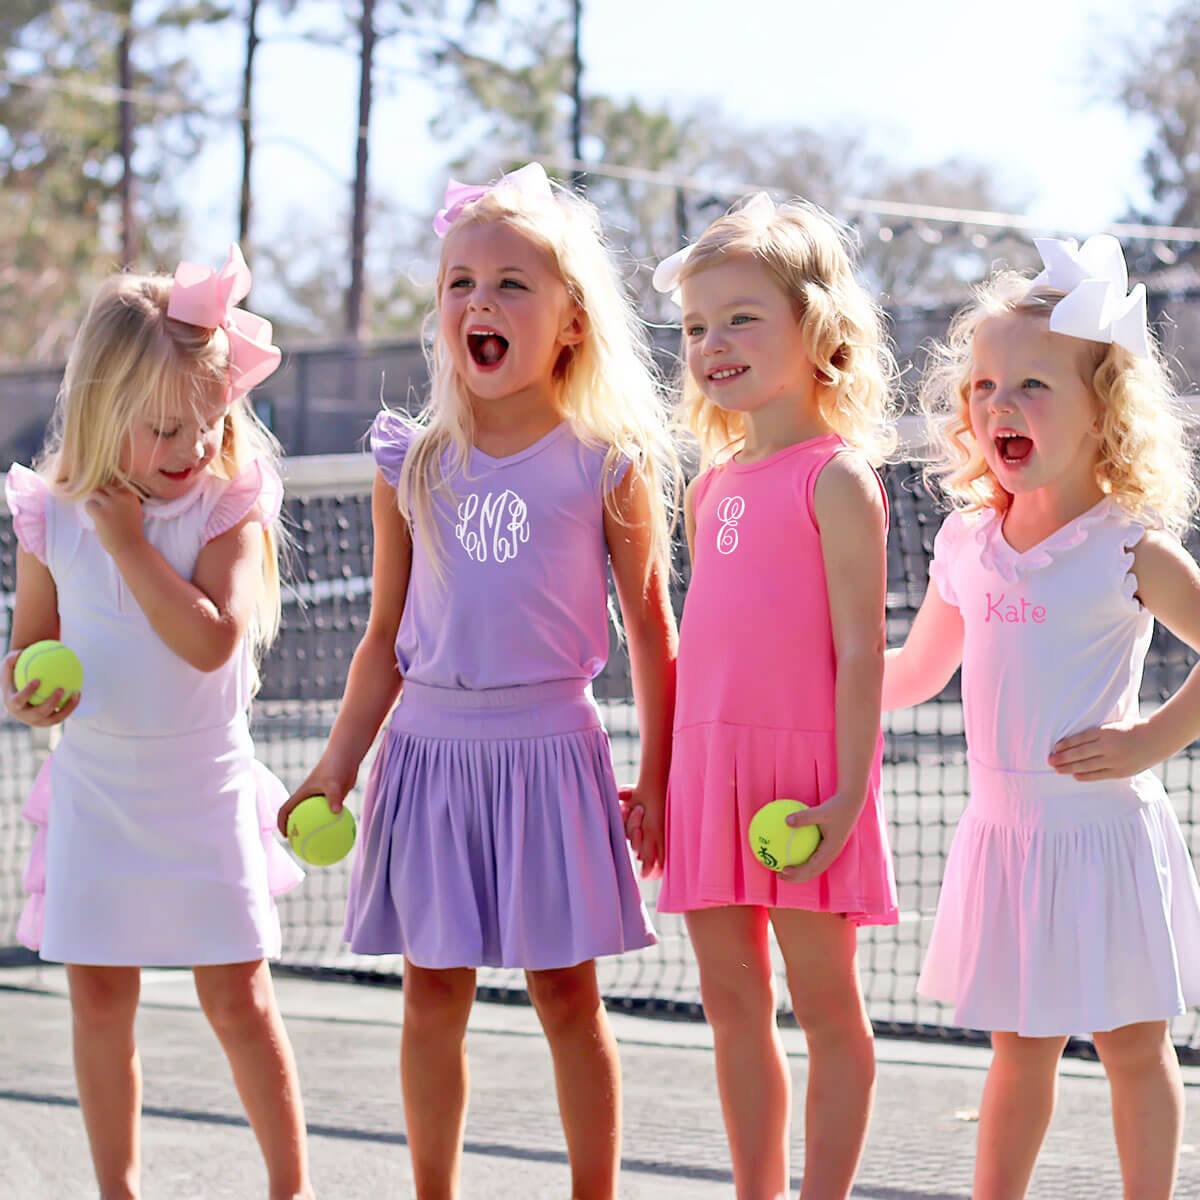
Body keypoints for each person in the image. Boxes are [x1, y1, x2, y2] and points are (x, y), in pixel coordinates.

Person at [277, 163, 678, 1200]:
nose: (480, 303)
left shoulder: (608, 463)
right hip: (429, 759)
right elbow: (380, 640)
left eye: (510, 284)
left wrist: (660, 782)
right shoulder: (408, 464)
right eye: (460, 282)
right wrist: (334, 769)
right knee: (430, 995)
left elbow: (652, 636)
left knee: (567, 1000)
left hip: (555, 756)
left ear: (571, 322)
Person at [884, 235, 1200, 1200]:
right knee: (1018, 1052)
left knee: (1133, 1048)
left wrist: (1149, 740)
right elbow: (910, 675)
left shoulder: (1129, 546)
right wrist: (812, 675)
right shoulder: (967, 543)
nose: (999, 407)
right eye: (983, 387)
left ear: (1105, 411)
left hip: (1102, 835)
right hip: (1006, 836)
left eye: (1031, 385)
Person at [2, 246, 313, 1199]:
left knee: (238, 998)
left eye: (210, 423)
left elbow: (212, 644)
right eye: (165, 428)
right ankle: (118, 1190)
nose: (191, 449)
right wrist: (26, 691)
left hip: (201, 789)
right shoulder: (49, 516)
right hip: (98, 788)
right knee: (98, 998)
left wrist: (132, 545)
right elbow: (30, 652)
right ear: (103, 410)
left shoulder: (227, 508)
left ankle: (290, 1187)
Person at [631, 193, 900, 1200]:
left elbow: (863, 655)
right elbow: (699, 654)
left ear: (817, 330)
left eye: (742, 317)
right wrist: (660, 782)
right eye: (696, 325)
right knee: (730, 1005)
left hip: (807, 784)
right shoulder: (709, 488)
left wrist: (846, 799)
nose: (713, 342)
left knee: (829, 1012)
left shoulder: (838, 481)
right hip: (709, 779)